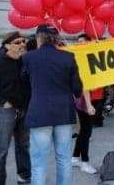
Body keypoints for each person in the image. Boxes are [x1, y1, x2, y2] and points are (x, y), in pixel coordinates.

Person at [22, 24, 83, 185]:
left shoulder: (28, 57)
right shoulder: (68, 57)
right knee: (64, 159)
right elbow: (77, 89)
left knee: (39, 162)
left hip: (39, 112)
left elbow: (23, 86)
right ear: (56, 39)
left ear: (38, 38)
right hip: (63, 113)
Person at [0, 32, 31, 185]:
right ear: (7, 46)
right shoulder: (0, 61)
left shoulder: (24, 61)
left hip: (23, 109)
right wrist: (3, 101)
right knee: (2, 148)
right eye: (18, 42)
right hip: (6, 111)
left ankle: (24, 176)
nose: (22, 45)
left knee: (23, 144)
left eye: (23, 41)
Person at [71, 34, 99, 174]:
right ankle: (85, 162)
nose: (80, 44)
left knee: (84, 131)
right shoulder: (81, 59)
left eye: (82, 41)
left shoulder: (92, 55)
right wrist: (88, 104)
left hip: (95, 97)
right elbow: (85, 84)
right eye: (78, 41)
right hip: (85, 100)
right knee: (86, 132)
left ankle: (75, 157)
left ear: (90, 42)